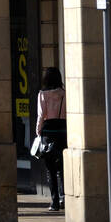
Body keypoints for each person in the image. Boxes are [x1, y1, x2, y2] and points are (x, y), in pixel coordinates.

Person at [36, 66, 66, 212]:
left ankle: (54, 202)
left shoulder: (42, 94)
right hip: (62, 130)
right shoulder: (64, 94)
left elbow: (41, 116)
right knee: (61, 168)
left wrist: (38, 132)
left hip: (48, 131)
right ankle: (63, 197)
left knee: (50, 169)